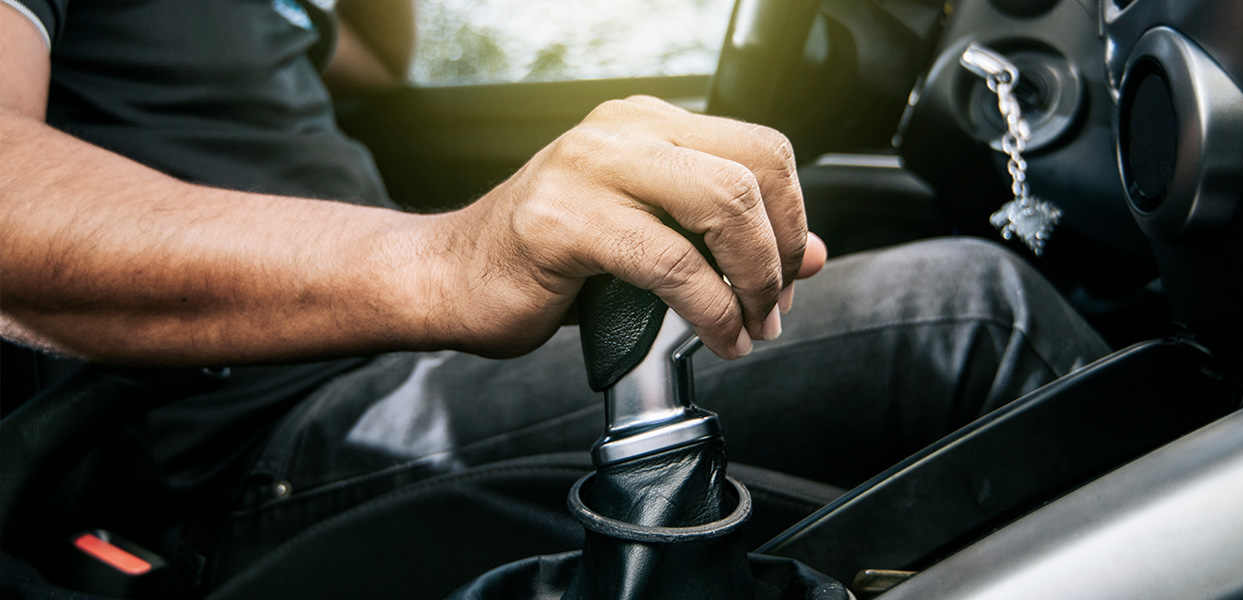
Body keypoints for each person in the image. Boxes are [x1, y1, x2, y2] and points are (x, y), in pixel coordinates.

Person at [0, 0, 1109, 591]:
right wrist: (444, 262)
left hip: (374, 369)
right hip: (252, 437)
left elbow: (381, 64)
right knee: (971, 314)